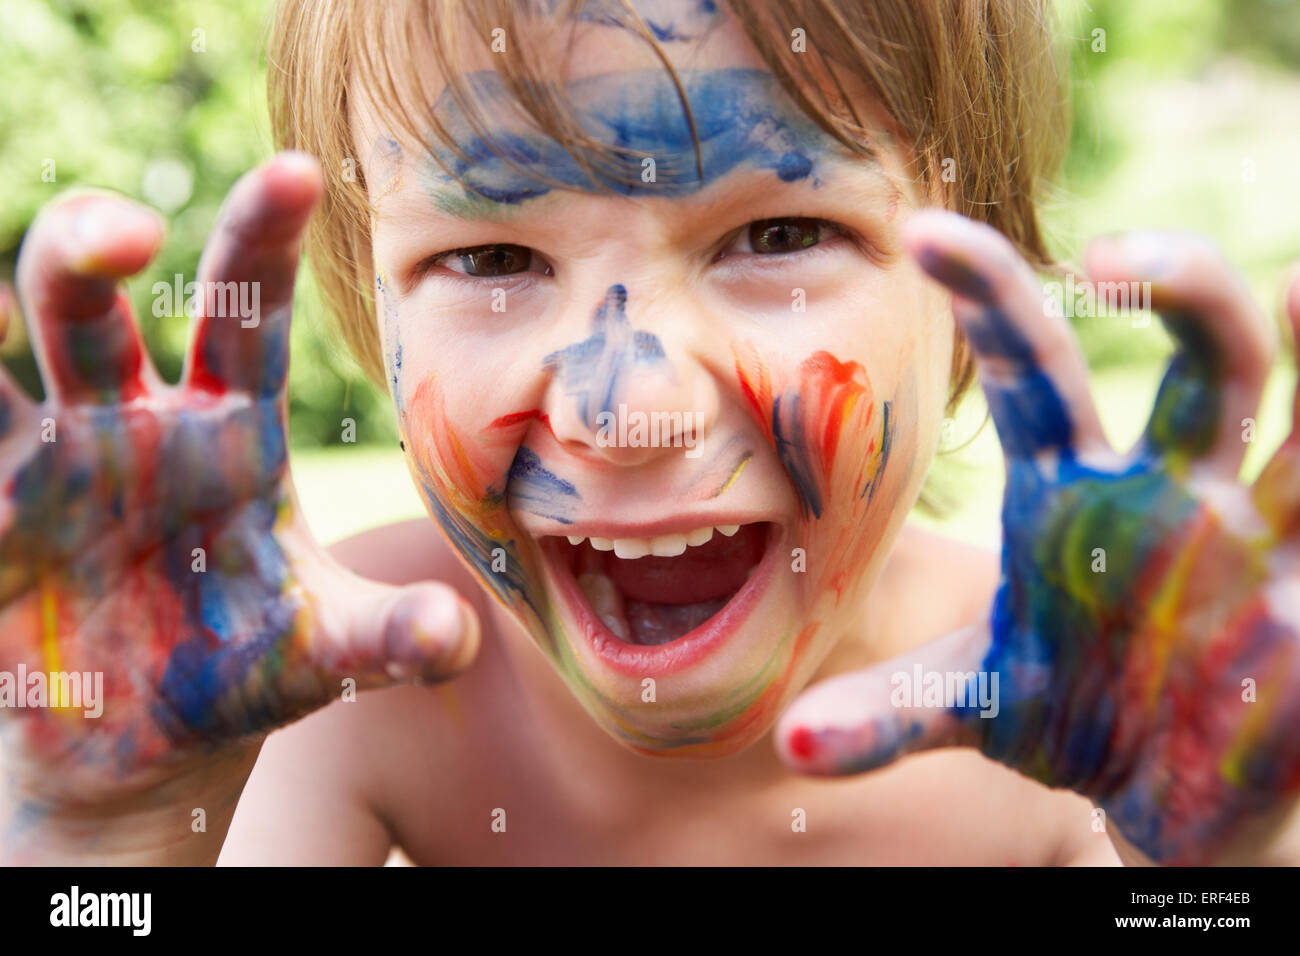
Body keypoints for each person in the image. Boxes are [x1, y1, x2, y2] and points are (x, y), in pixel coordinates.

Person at [2, 0, 1297, 866]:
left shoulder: (1072, 699)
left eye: (778, 237)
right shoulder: (352, 686)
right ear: (373, 329)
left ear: (979, 312)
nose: (625, 412)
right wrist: (99, 841)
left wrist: (1225, 865)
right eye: (492, 254)